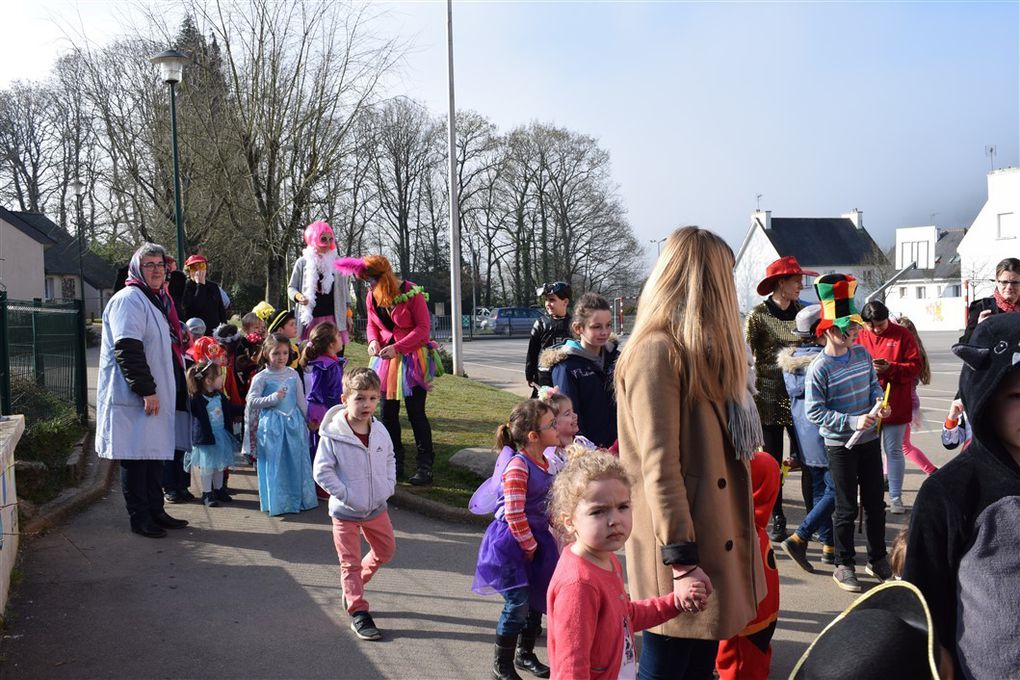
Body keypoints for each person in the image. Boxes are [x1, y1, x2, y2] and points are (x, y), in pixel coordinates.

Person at [615, 226, 765, 680]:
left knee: (698, 668)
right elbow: (660, 469)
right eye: (726, 275)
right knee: (664, 668)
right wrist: (681, 560)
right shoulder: (656, 352)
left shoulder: (703, 352)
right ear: (705, 280)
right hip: (679, 546)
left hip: (710, 537)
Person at [904, 312, 1020, 679]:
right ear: (982, 396)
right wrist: (936, 654)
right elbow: (922, 596)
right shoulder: (950, 491)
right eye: (1017, 395)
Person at [546, 447, 704, 680]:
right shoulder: (578, 584)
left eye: (623, 507)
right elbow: (571, 669)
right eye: (598, 512)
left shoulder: (606, 560)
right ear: (569, 522)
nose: (615, 520)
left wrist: (674, 602)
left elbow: (625, 617)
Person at [805, 274, 893, 593]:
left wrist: (878, 406)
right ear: (829, 330)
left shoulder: (862, 355)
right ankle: (844, 564)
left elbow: (873, 388)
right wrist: (852, 422)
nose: (855, 333)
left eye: (856, 327)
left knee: (875, 502)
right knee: (846, 506)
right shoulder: (819, 368)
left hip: (869, 441)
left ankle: (878, 558)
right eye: (849, 328)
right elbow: (814, 412)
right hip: (840, 446)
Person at [96, 243, 189, 538]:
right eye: (149, 265)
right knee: (136, 458)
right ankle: (140, 517)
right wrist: (146, 390)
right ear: (137, 268)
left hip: (153, 395)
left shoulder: (157, 300)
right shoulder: (129, 300)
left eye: (160, 265)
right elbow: (128, 348)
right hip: (137, 397)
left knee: (153, 457)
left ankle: (156, 510)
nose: (156, 270)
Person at [336, 255, 444, 485]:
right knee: (387, 414)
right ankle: (394, 462)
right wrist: (373, 341)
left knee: (416, 413)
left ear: (384, 277)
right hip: (385, 361)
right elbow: (372, 325)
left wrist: (398, 347)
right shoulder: (370, 296)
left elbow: (423, 329)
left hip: (412, 360)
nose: (369, 285)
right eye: (365, 281)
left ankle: (425, 465)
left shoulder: (411, 293)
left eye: (371, 280)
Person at [473, 400, 561, 680]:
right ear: (534, 436)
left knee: (537, 597)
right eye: (551, 424)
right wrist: (530, 545)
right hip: (511, 544)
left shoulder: (546, 462)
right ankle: (502, 665)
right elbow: (513, 512)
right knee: (518, 602)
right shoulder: (518, 467)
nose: (557, 427)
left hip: (536, 540)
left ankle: (525, 654)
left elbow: (546, 506)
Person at [313, 367, 396, 643]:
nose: (367, 405)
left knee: (385, 550)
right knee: (349, 563)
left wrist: (388, 485)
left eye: (373, 398)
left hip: (376, 508)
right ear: (345, 398)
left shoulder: (380, 430)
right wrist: (347, 494)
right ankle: (358, 610)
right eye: (360, 398)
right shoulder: (333, 435)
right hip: (345, 512)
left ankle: (353, 587)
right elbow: (322, 472)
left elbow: (389, 459)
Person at [745, 255, 817, 542]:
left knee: (811, 462)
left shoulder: (807, 313)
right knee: (772, 464)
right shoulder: (758, 317)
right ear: (781, 283)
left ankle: (812, 521)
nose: (801, 284)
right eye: (796, 280)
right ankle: (777, 517)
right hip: (769, 400)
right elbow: (746, 358)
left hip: (802, 399)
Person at [778, 304, 836, 571]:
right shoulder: (825, 360)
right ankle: (802, 535)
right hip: (825, 429)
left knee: (818, 487)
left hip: (802, 430)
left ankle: (828, 544)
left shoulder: (791, 362)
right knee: (835, 487)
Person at [715, 451, 780, 680]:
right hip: (764, 616)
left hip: (745, 621)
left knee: (739, 665)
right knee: (757, 658)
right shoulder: (758, 531)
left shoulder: (738, 536)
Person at [856, 300, 922, 515]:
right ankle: (868, 494)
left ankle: (895, 497)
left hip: (895, 402)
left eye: (881, 325)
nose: (875, 330)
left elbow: (915, 367)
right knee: (867, 452)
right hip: (866, 404)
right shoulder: (860, 335)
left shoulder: (903, 335)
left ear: (887, 318)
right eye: (870, 325)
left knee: (893, 450)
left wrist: (890, 368)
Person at [243, 333, 318, 516]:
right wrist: (272, 398)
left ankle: (298, 499)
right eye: (276, 353)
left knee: (295, 460)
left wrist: (309, 421)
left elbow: (301, 401)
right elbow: (251, 401)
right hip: (272, 426)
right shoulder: (261, 377)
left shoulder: (293, 374)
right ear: (267, 353)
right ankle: (278, 502)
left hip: (294, 425)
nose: (281, 357)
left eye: (285, 353)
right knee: (276, 462)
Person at [546, 293, 620, 448]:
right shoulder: (566, 367)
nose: (604, 332)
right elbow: (568, 417)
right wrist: (587, 449)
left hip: (620, 445)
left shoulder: (617, 359)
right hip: (590, 452)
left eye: (608, 325)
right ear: (578, 328)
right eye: (596, 327)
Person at [185, 360, 242, 507]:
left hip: (221, 435)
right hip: (206, 438)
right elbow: (189, 410)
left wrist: (246, 408)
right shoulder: (197, 399)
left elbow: (230, 409)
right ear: (208, 380)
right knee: (207, 467)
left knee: (219, 465)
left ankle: (218, 489)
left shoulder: (220, 396)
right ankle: (207, 493)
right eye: (219, 376)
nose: (221, 378)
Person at [288, 220, 350, 345]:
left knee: (335, 359)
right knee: (311, 359)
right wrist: (299, 297)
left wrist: (348, 315)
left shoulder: (337, 262)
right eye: (323, 239)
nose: (327, 243)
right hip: (311, 321)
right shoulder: (302, 262)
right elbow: (291, 288)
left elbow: (345, 293)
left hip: (334, 320)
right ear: (313, 239)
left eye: (330, 239)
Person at [303, 322, 347, 498]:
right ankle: (320, 486)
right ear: (330, 344)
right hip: (324, 415)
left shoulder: (332, 363)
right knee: (323, 450)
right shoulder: (323, 366)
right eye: (338, 336)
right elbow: (316, 392)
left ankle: (329, 483)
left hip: (334, 410)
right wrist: (315, 417)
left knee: (332, 449)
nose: (341, 338)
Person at [526, 281, 573, 396]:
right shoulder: (541, 323)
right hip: (544, 377)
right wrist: (530, 374)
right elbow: (532, 350)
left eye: (552, 300)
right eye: (546, 300)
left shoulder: (574, 324)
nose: (548, 304)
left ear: (565, 302)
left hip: (567, 377)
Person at [959, 256, 1020, 343]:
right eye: (1004, 282)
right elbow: (965, 344)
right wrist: (979, 328)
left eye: (1015, 282)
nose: (1009, 287)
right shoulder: (982, 307)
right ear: (996, 281)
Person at [181, 254, 227, 335]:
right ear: (188, 271)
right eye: (194, 267)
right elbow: (197, 307)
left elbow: (221, 310)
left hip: (214, 333)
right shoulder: (185, 287)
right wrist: (200, 285)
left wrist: (225, 330)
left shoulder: (213, 286)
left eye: (202, 266)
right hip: (195, 334)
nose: (198, 271)